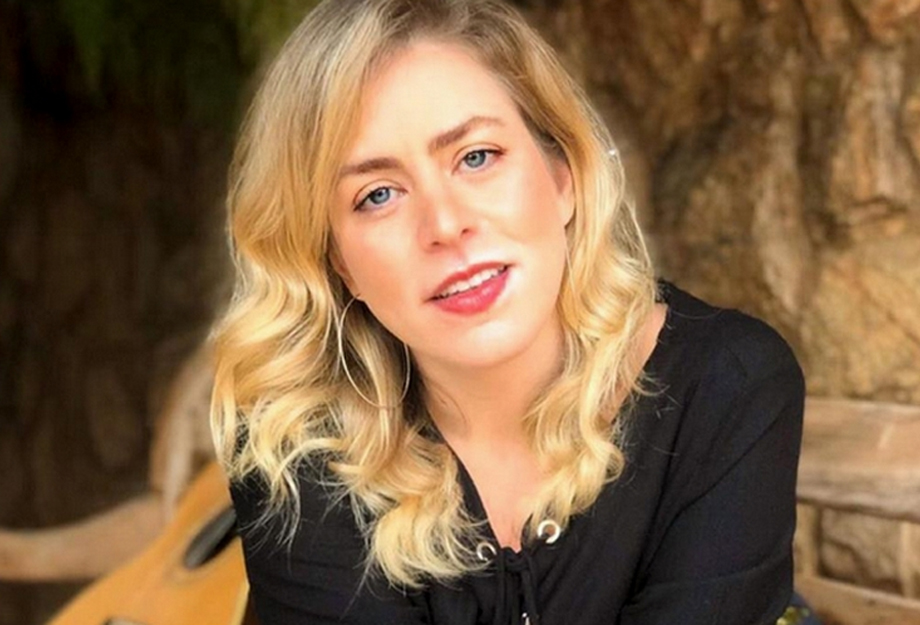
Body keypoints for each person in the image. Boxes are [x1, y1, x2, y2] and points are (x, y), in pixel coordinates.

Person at [209, 0, 805, 623]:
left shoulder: (728, 386)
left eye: (477, 157)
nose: (445, 224)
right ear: (338, 263)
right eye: (378, 194)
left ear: (562, 175)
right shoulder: (295, 443)